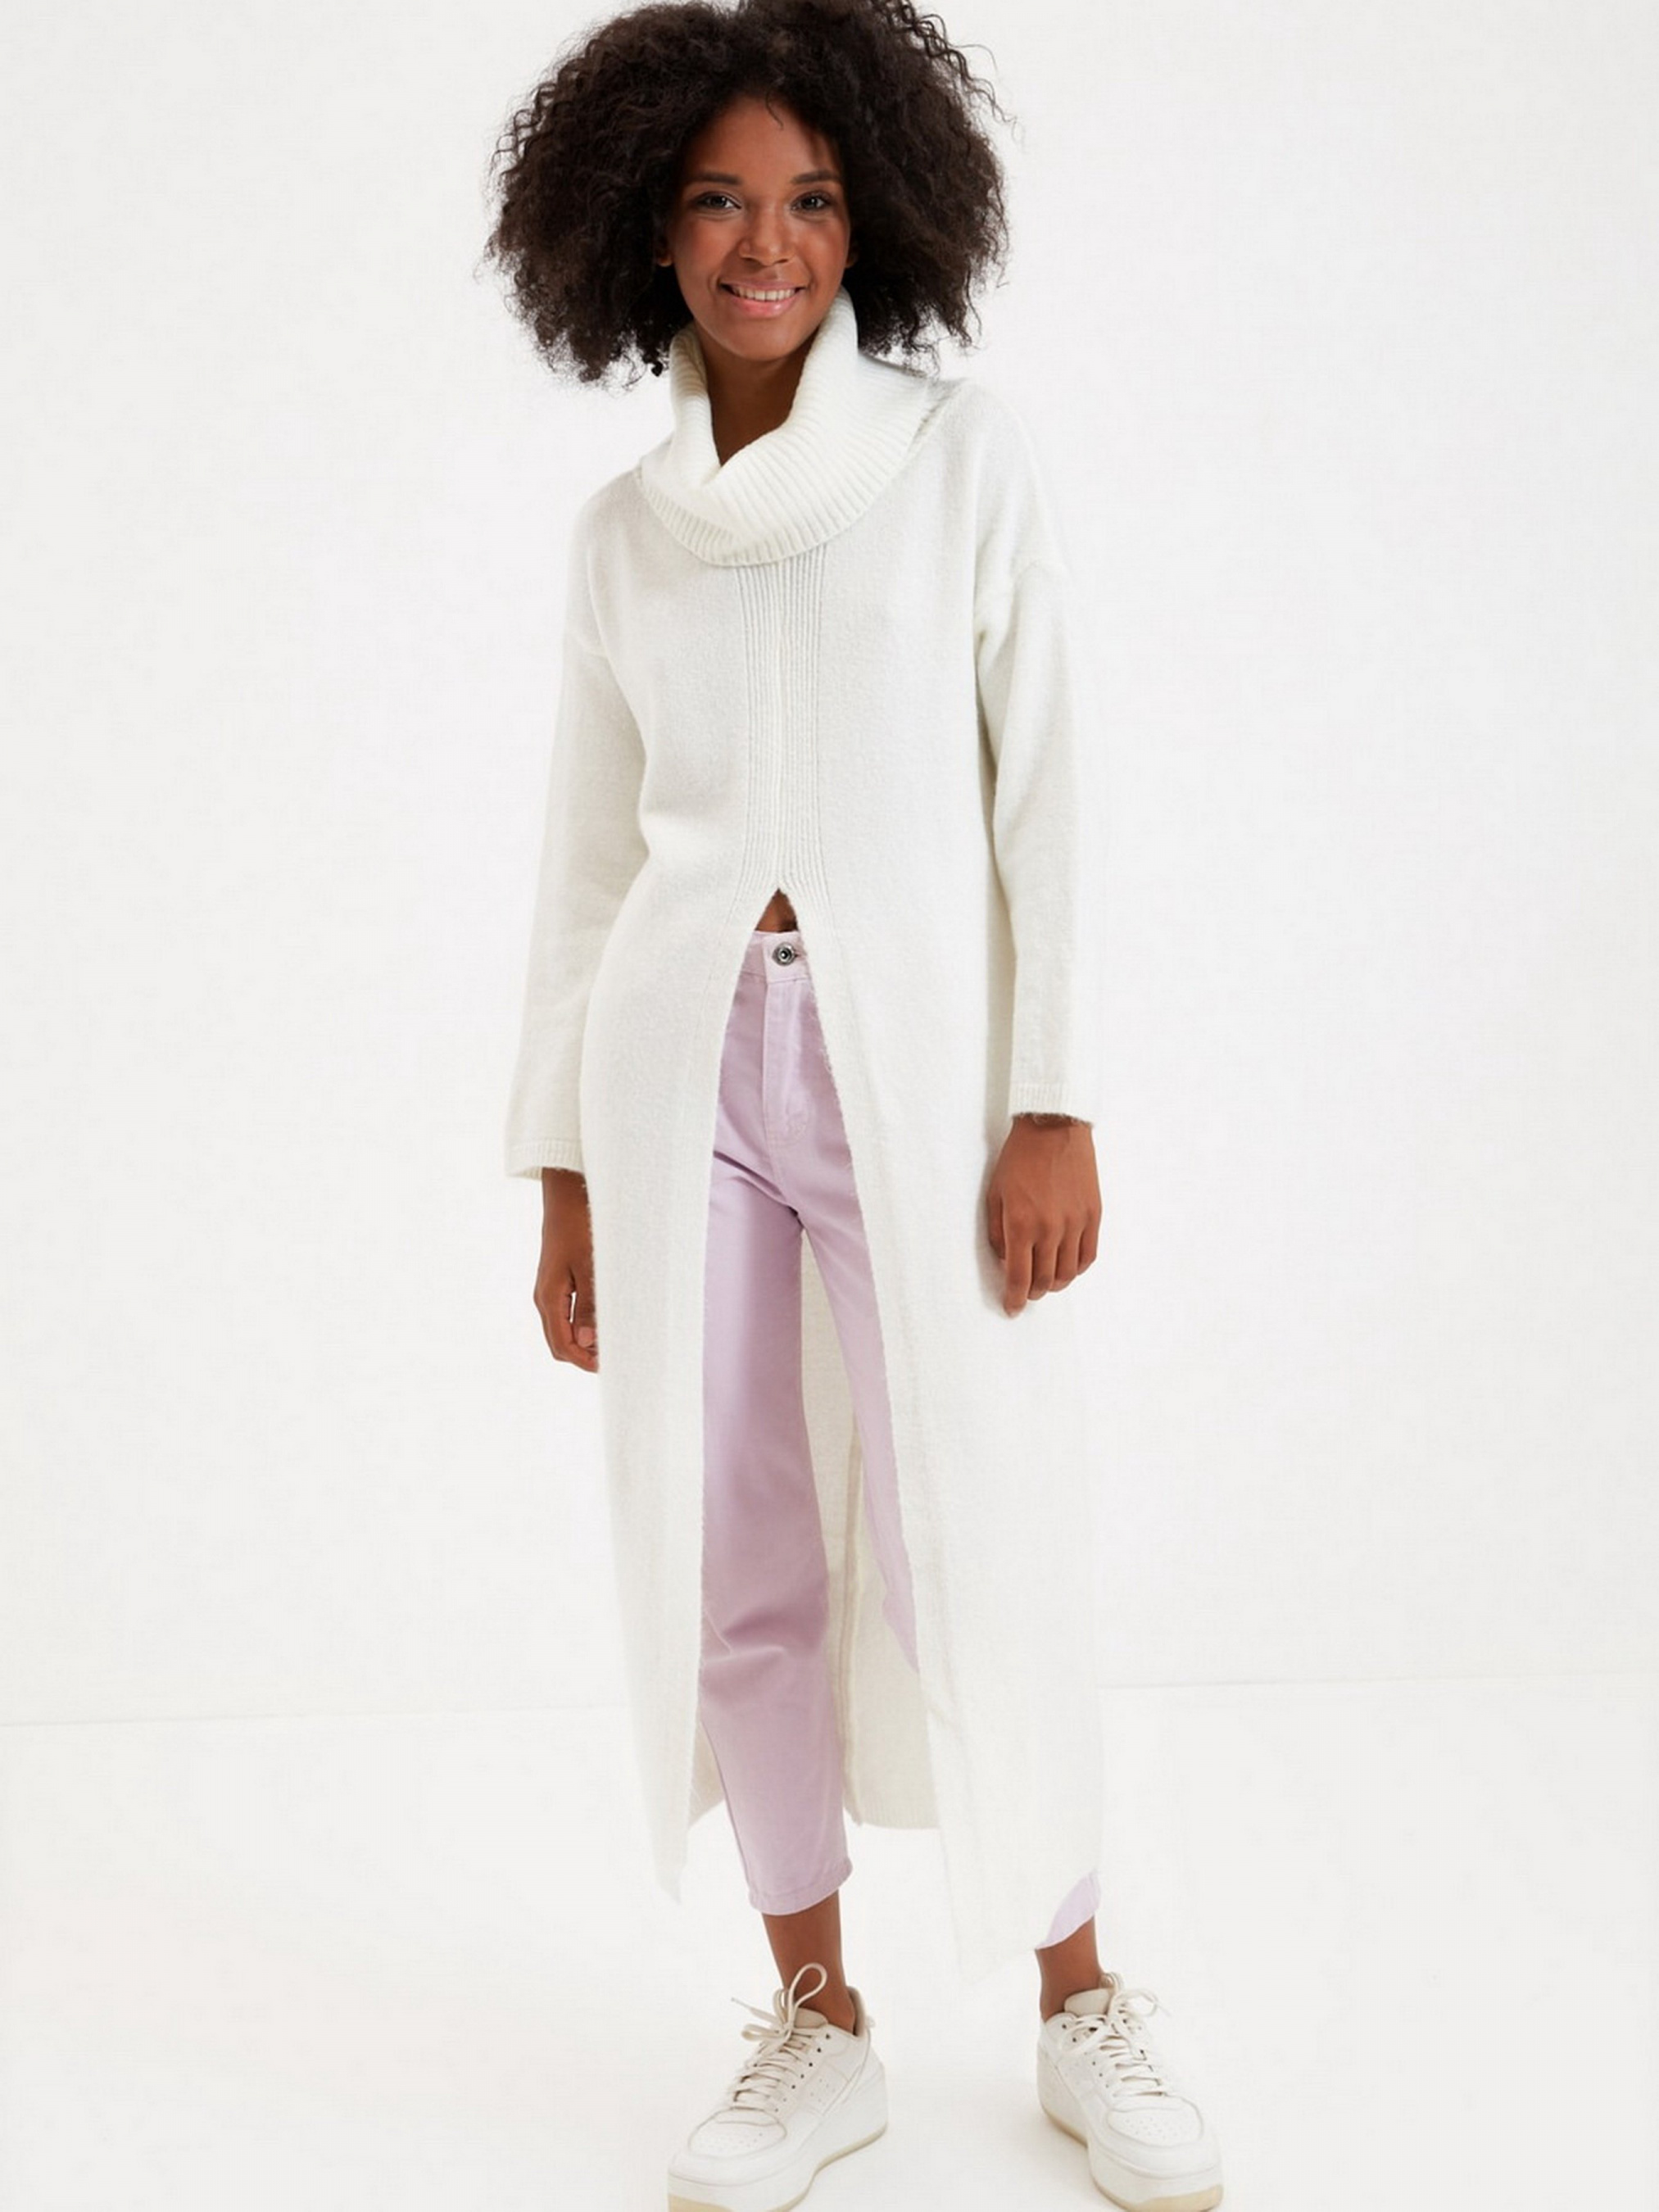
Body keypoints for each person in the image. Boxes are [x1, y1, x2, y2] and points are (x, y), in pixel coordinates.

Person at [485, 3, 1224, 2207]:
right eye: (719, 200)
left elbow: (1049, 792)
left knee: (971, 1518)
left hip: (918, 1071)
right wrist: (560, 1169)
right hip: (679, 1075)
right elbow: (585, 866)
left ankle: (1079, 1995)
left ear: (872, 217)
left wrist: (1053, 1096)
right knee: (733, 1544)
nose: (766, 244)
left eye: (810, 200)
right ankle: (815, 2015)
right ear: (646, 227)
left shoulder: (958, 460)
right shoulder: (624, 534)